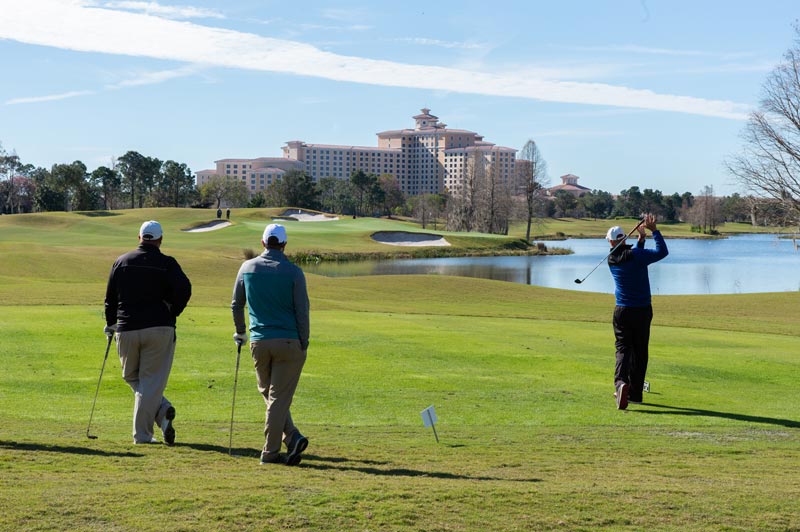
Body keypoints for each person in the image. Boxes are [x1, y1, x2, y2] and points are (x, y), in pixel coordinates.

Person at [104, 220, 192, 444]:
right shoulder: (167, 263)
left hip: (127, 329)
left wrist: (111, 323)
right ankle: (160, 414)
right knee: (147, 381)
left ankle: (143, 434)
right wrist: (173, 310)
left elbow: (110, 299)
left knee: (135, 378)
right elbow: (185, 288)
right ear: (160, 239)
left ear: (139, 237)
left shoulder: (121, 261)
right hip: (159, 328)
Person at [231, 223, 310, 466]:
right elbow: (302, 311)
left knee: (272, 396)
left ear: (263, 242)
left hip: (259, 342)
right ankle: (271, 452)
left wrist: (241, 331)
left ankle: (292, 438)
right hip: (289, 341)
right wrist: (304, 342)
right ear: (284, 244)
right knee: (276, 398)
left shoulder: (247, 267)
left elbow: (236, 305)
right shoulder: (294, 272)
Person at [606, 213, 668, 410]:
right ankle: (635, 393)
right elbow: (661, 252)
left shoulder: (611, 259)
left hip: (622, 311)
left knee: (623, 349)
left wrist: (640, 240)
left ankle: (620, 383)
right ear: (624, 239)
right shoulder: (637, 256)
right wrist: (654, 231)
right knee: (640, 352)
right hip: (642, 311)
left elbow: (632, 258)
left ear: (611, 242)